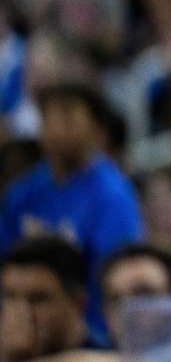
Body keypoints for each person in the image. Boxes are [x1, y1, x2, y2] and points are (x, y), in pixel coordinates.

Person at [0, 83, 143, 334]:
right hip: (21, 324)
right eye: (47, 117)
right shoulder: (23, 192)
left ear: (97, 130)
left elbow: (112, 279)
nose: (55, 128)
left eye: (67, 116)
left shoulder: (113, 195)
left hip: (90, 331)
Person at [1, 236, 103, 360]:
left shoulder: (110, 357)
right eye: (10, 297)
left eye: (37, 299)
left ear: (78, 302)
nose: (20, 313)